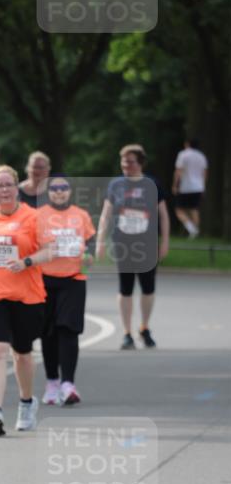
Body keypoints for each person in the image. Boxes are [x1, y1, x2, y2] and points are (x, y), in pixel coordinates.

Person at [0, 165, 53, 435]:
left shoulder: (33, 216)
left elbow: (50, 250)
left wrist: (26, 261)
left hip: (26, 295)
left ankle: (27, 402)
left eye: (8, 185)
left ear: (16, 188)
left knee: (22, 354)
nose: (4, 190)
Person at [96, 144, 170, 350]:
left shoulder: (152, 183)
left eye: (130, 161)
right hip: (123, 243)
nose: (125, 165)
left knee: (148, 288)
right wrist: (100, 241)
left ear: (140, 163)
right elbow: (106, 214)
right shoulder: (115, 184)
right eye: (123, 161)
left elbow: (163, 215)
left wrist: (165, 241)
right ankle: (127, 333)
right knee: (125, 288)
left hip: (146, 244)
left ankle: (144, 327)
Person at [36, 175, 96, 405]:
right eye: (54, 188)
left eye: (63, 188)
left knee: (68, 331)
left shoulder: (80, 215)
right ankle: (51, 383)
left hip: (73, 279)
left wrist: (89, 253)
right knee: (48, 332)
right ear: (48, 192)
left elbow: (90, 239)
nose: (59, 192)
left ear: (69, 192)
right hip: (44, 279)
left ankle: (68, 384)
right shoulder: (39, 215)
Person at [172, 138, 207, 238]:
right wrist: (203, 186)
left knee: (179, 210)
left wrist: (175, 185)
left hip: (185, 186)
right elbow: (204, 173)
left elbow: (178, 171)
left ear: (187, 144)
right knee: (194, 209)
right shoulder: (201, 156)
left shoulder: (183, 154)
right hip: (198, 186)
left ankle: (192, 229)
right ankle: (195, 232)